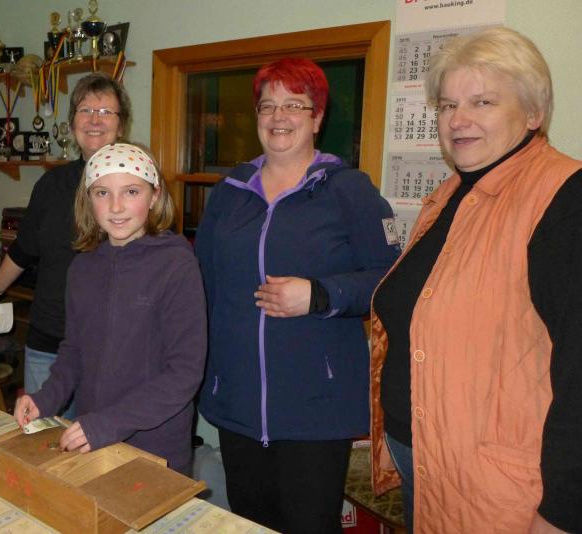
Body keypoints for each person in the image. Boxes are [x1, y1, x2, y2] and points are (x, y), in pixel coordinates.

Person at [371, 27, 582, 533]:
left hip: (502, 489)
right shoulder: (450, 195)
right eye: (447, 106)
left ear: (533, 114)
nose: (458, 120)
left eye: (482, 102)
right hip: (426, 460)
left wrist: (562, 511)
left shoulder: (565, 199)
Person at [195, 58, 400, 533]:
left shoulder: (349, 191)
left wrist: (321, 294)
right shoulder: (229, 192)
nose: (278, 117)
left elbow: (391, 279)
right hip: (238, 403)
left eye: (293, 105)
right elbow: (202, 282)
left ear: (317, 117)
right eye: (268, 106)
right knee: (249, 523)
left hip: (316, 407)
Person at [14, 143, 206, 474]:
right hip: (94, 435)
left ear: (155, 196)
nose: (116, 206)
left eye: (131, 191)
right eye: (102, 193)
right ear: (88, 199)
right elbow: (73, 352)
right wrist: (43, 399)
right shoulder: (83, 268)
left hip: (155, 446)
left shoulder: (176, 266)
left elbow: (184, 373)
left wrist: (109, 423)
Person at [0, 73, 130, 410]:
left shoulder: (137, 187)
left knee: (100, 440)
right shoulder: (51, 185)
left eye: (106, 112)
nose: (94, 120)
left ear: (121, 126)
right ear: (73, 122)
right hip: (49, 341)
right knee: (45, 435)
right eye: (85, 110)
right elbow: (23, 250)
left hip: (111, 347)